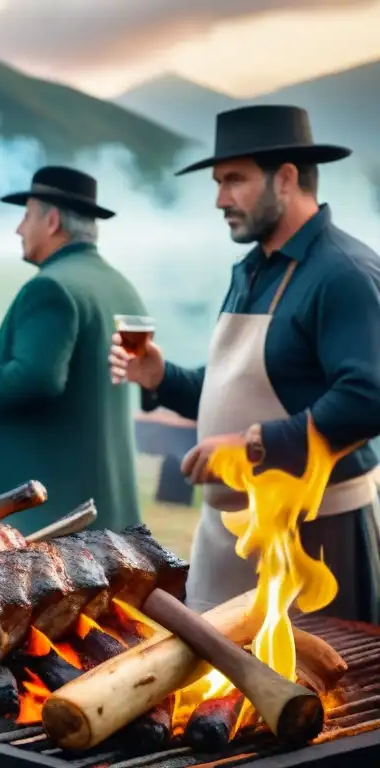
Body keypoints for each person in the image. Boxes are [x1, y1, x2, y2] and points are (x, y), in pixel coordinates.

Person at [109, 105, 380, 622]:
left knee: (316, 697)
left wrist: (253, 444)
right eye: (217, 182)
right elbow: (239, 387)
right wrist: (162, 378)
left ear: (286, 178)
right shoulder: (251, 270)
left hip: (312, 543)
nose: (219, 199)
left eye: (234, 180)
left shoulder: (344, 272)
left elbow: (369, 398)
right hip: (227, 538)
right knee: (213, 698)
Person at [0, 166, 146, 532]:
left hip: (51, 515)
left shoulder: (50, 288)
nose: (18, 228)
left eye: (26, 215)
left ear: (52, 221)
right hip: (108, 507)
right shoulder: (120, 286)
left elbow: (37, 377)